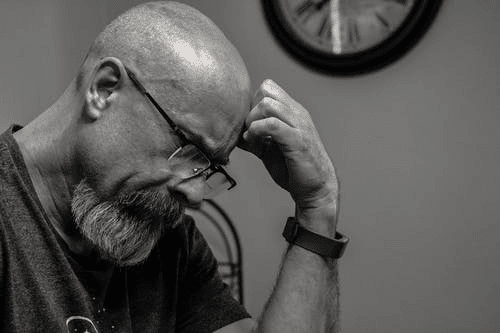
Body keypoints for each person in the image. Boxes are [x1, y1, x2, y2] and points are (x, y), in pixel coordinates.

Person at [0, 1, 347, 332]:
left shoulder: (168, 240)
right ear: (104, 89)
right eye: (188, 149)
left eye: (209, 167)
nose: (196, 195)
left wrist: (316, 205)